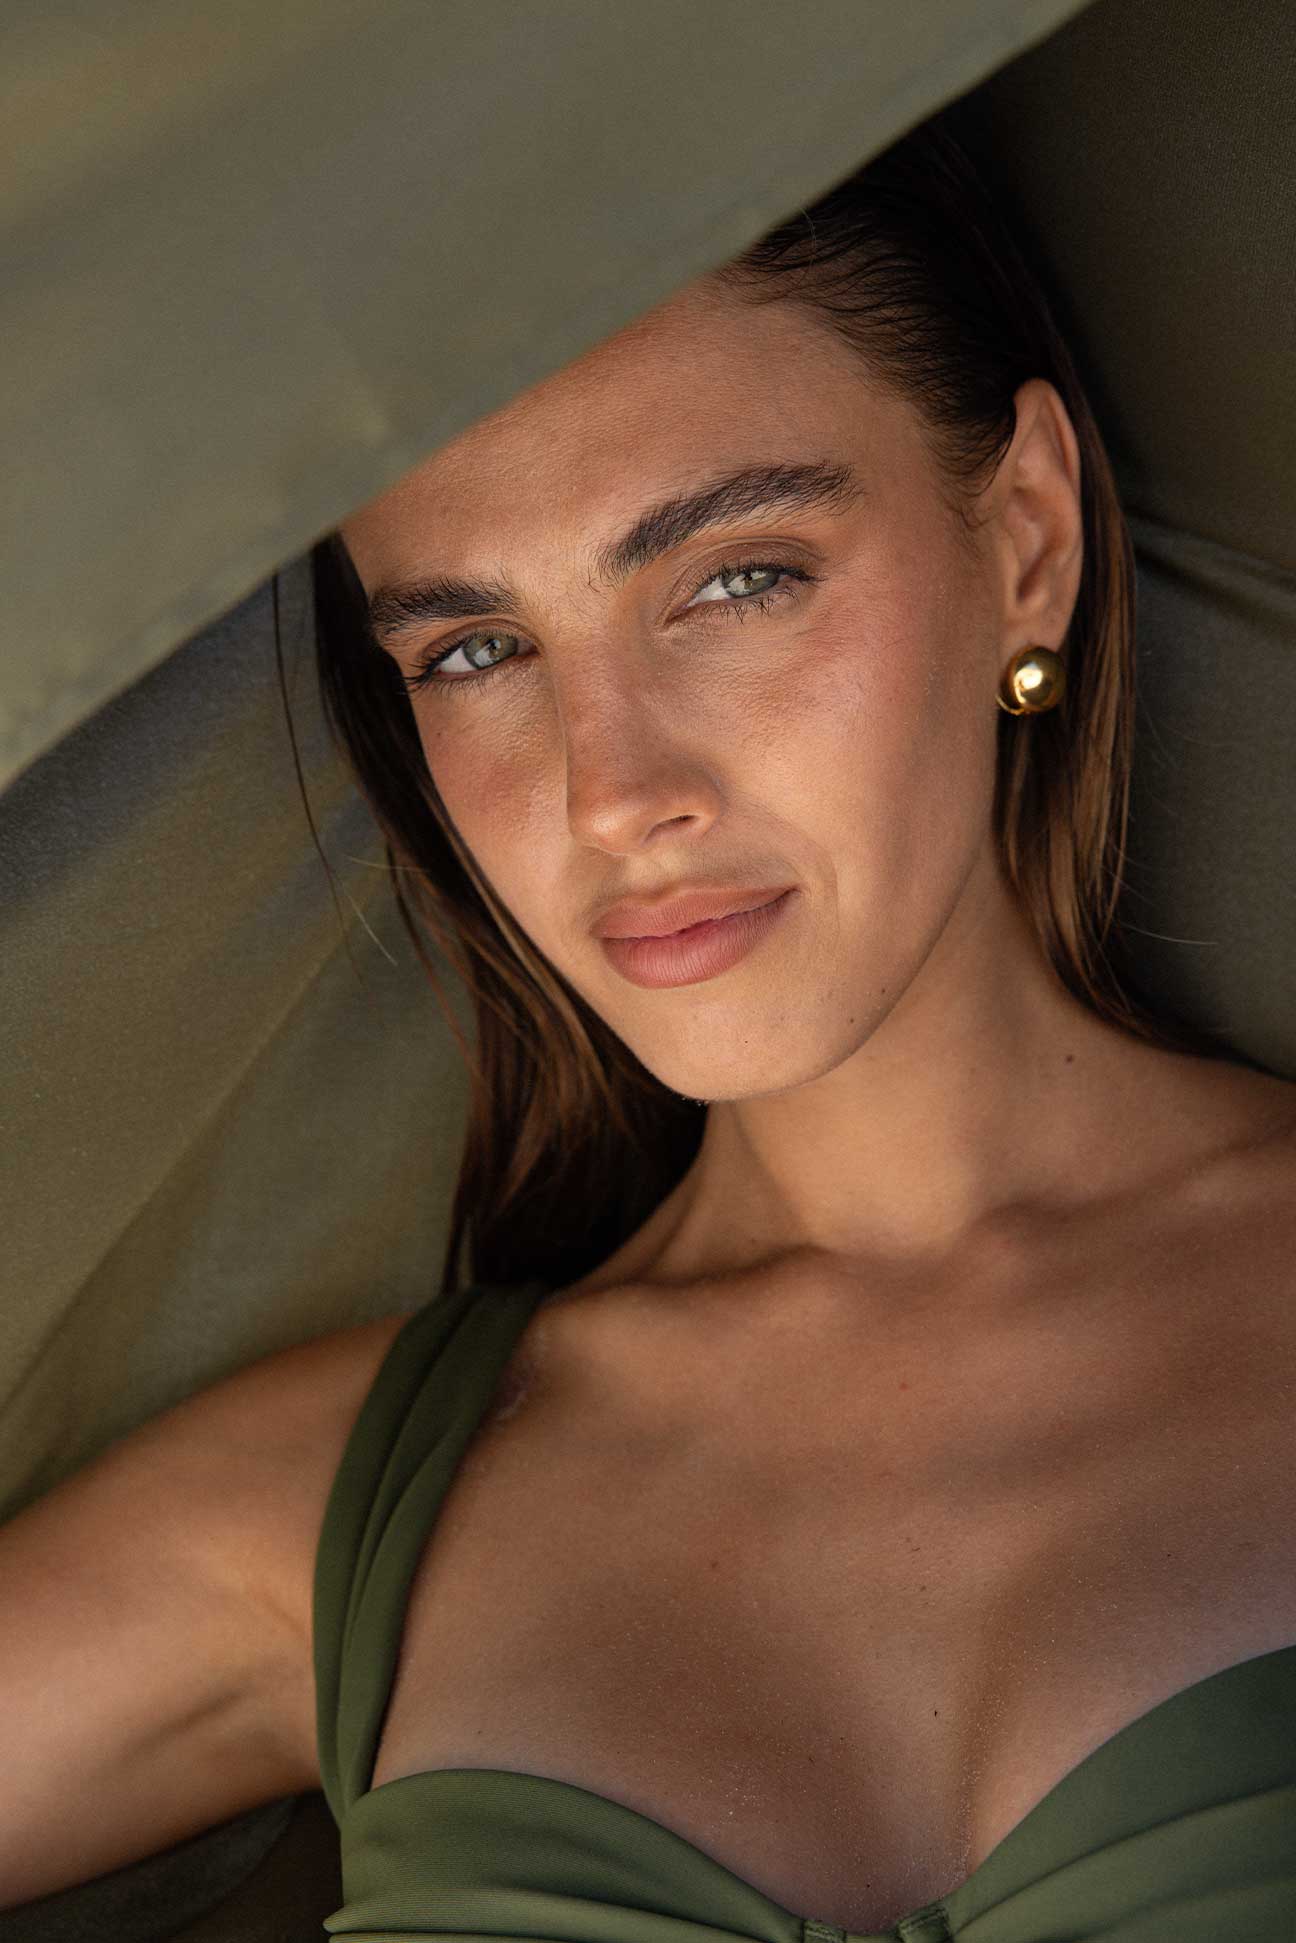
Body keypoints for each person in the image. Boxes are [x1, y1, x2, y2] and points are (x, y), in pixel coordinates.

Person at [3, 122, 1294, 1938]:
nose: (613, 796)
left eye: (734, 580)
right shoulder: (339, 1519)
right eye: (474, 652)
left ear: (1025, 541)